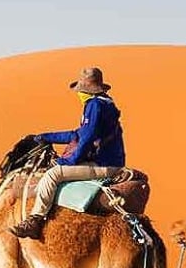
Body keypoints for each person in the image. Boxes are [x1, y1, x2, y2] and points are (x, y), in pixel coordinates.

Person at [10, 67, 126, 239]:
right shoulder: (104, 103)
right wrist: (45, 137)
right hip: (109, 161)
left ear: (86, 90)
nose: (78, 94)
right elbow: (77, 135)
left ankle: (36, 220)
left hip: (105, 165)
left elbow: (86, 138)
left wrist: (70, 161)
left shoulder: (94, 106)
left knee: (53, 174)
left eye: (80, 91)